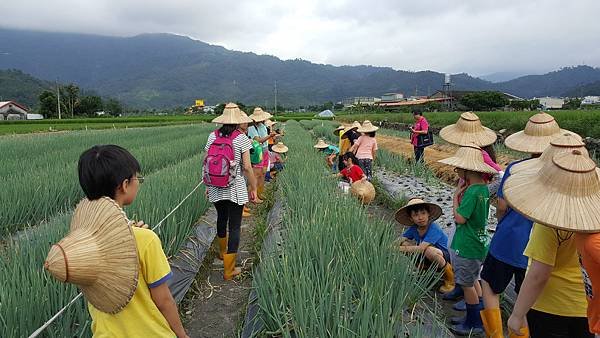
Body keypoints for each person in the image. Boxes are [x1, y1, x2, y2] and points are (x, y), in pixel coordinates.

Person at [52, 144, 190, 337]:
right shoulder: (145, 239)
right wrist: (182, 335)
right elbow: (164, 301)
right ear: (125, 185)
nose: (138, 183)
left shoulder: (80, 241)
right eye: (137, 178)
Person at [479, 132, 583, 338]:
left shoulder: (517, 168)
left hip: (509, 242)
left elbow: (501, 205)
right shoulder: (580, 192)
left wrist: (502, 222)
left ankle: (496, 335)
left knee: (490, 285)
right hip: (558, 280)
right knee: (526, 299)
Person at [503, 149, 594, 338]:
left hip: (550, 306)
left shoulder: (549, 223)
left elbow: (539, 275)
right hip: (585, 304)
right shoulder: (595, 220)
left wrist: (517, 314)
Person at [438, 144, 497, 335]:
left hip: (467, 244)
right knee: (474, 281)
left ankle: (474, 323)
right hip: (479, 242)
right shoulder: (483, 189)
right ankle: (477, 318)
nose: (456, 171)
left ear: (468, 170)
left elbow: (460, 218)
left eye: (459, 168)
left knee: (467, 284)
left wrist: (456, 196)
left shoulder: (472, 192)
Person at [205, 103, 258, 280]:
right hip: (234, 188)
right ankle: (229, 270)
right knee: (234, 225)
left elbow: (206, 162)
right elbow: (248, 168)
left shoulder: (212, 135)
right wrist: (254, 187)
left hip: (215, 185)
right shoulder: (241, 138)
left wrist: (208, 185)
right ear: (238, 121)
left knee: (221, 218)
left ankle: (221, 253)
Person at [395, 198, 454, 293]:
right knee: (405, 244)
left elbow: (421, 249)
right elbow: (400, 239)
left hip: (447, 258)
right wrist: (387, 246)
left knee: (428, 250)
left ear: (428, 214)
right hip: (431, 258)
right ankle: (425, 271)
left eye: (423, 213)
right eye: (416, 215)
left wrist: (397, 248)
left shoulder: (434, 228)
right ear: (411, 218)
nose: (420, 217)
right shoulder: (414, 228)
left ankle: (450, 278)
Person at [248, 108, 277, 201]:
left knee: (263, 173)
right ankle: (253, 196)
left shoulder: (263, 126)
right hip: (257, 153)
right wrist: (270, 136)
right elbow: (258, 140)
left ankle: (260, 193)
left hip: (265, 151)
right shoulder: (252, 128)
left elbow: (265, 139)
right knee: (256, 174)